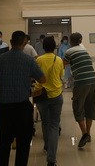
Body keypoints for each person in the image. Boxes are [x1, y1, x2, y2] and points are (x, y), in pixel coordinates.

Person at [0, 31, 45, 166]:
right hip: (22, 107)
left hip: (4, 107)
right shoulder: (29, 60)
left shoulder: (0, 59)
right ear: (25, 43)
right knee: (23, 142)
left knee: (4, 141)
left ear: (11, 42)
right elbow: (43, 79)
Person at [63, 32, 95, 149]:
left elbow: (63, 64)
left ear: (70, 41)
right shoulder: (84, 50)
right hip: (93, 81)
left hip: (81, 82)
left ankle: (84, 134)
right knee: (90, 107)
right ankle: (89, 134)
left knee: (78, 107)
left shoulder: (69, 52)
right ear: (80, 40)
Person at [33, 36, 64, 166]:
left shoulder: (39, 60)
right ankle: (51, 159)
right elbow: (61, 76)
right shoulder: (59, 60)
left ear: (43, 47)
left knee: (45, 123)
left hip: (41, 95)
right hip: (56, 95)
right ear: (54, 47)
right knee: (54, 125)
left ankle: (46, 145)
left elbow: (36, 76)